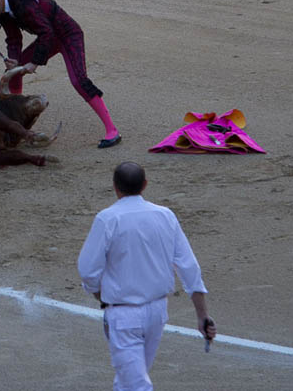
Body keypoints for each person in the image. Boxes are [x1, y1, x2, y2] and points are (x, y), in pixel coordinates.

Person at [77, 162, 216, 391]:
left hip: (123, 315)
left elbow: (88, 271)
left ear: (115, 187)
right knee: (130, 381)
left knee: (135, 385)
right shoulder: (166, 216)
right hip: (157, 313)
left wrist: (99, 294)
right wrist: (202, 314)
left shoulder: (107, 218)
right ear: (144, 185)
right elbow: (189, 267)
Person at [0, 0, 121, 148]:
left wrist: (35, 62)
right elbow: (14, 39)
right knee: (13, 72)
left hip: (68, 35)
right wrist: (13, 60)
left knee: (78, 80)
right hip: (48, 38)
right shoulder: (1, 14)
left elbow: (46, 31)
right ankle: (16, 124)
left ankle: (112, 131)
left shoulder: (22, 0)